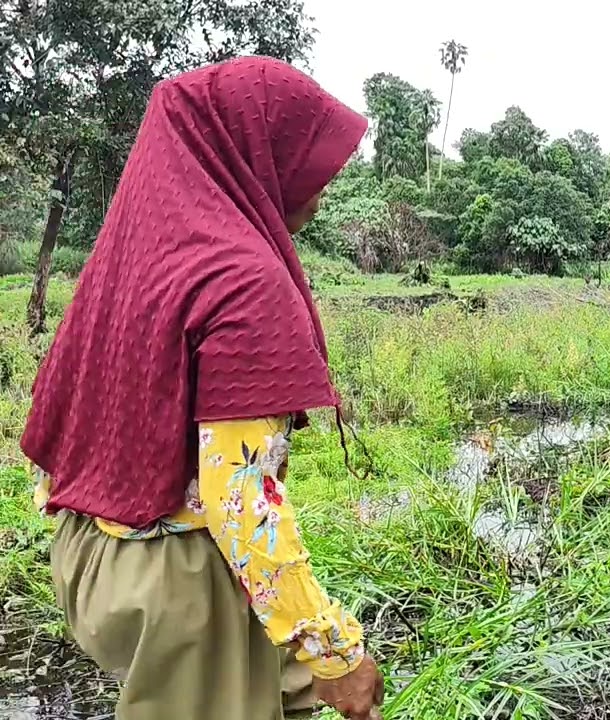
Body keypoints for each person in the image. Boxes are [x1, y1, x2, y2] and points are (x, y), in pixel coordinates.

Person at [22, 57, 384, 720]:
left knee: (286, 697)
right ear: (260, 154)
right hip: (174, 581)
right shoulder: (243, 280)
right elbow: (241, 503)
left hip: (89, 557)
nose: (325, 183)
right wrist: (334, 651)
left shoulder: (137, 260)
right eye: (310, 158)